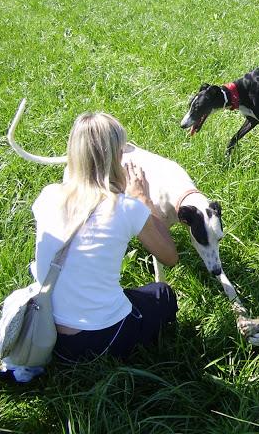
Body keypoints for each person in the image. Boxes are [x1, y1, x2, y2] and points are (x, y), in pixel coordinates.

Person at [29, 112, 179, 363]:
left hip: (45, 330)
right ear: (115, 157)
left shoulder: (48, 196)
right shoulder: (125, 208)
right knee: (162, 293)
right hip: (98, 339)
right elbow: (170, 256)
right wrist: (144, 200)